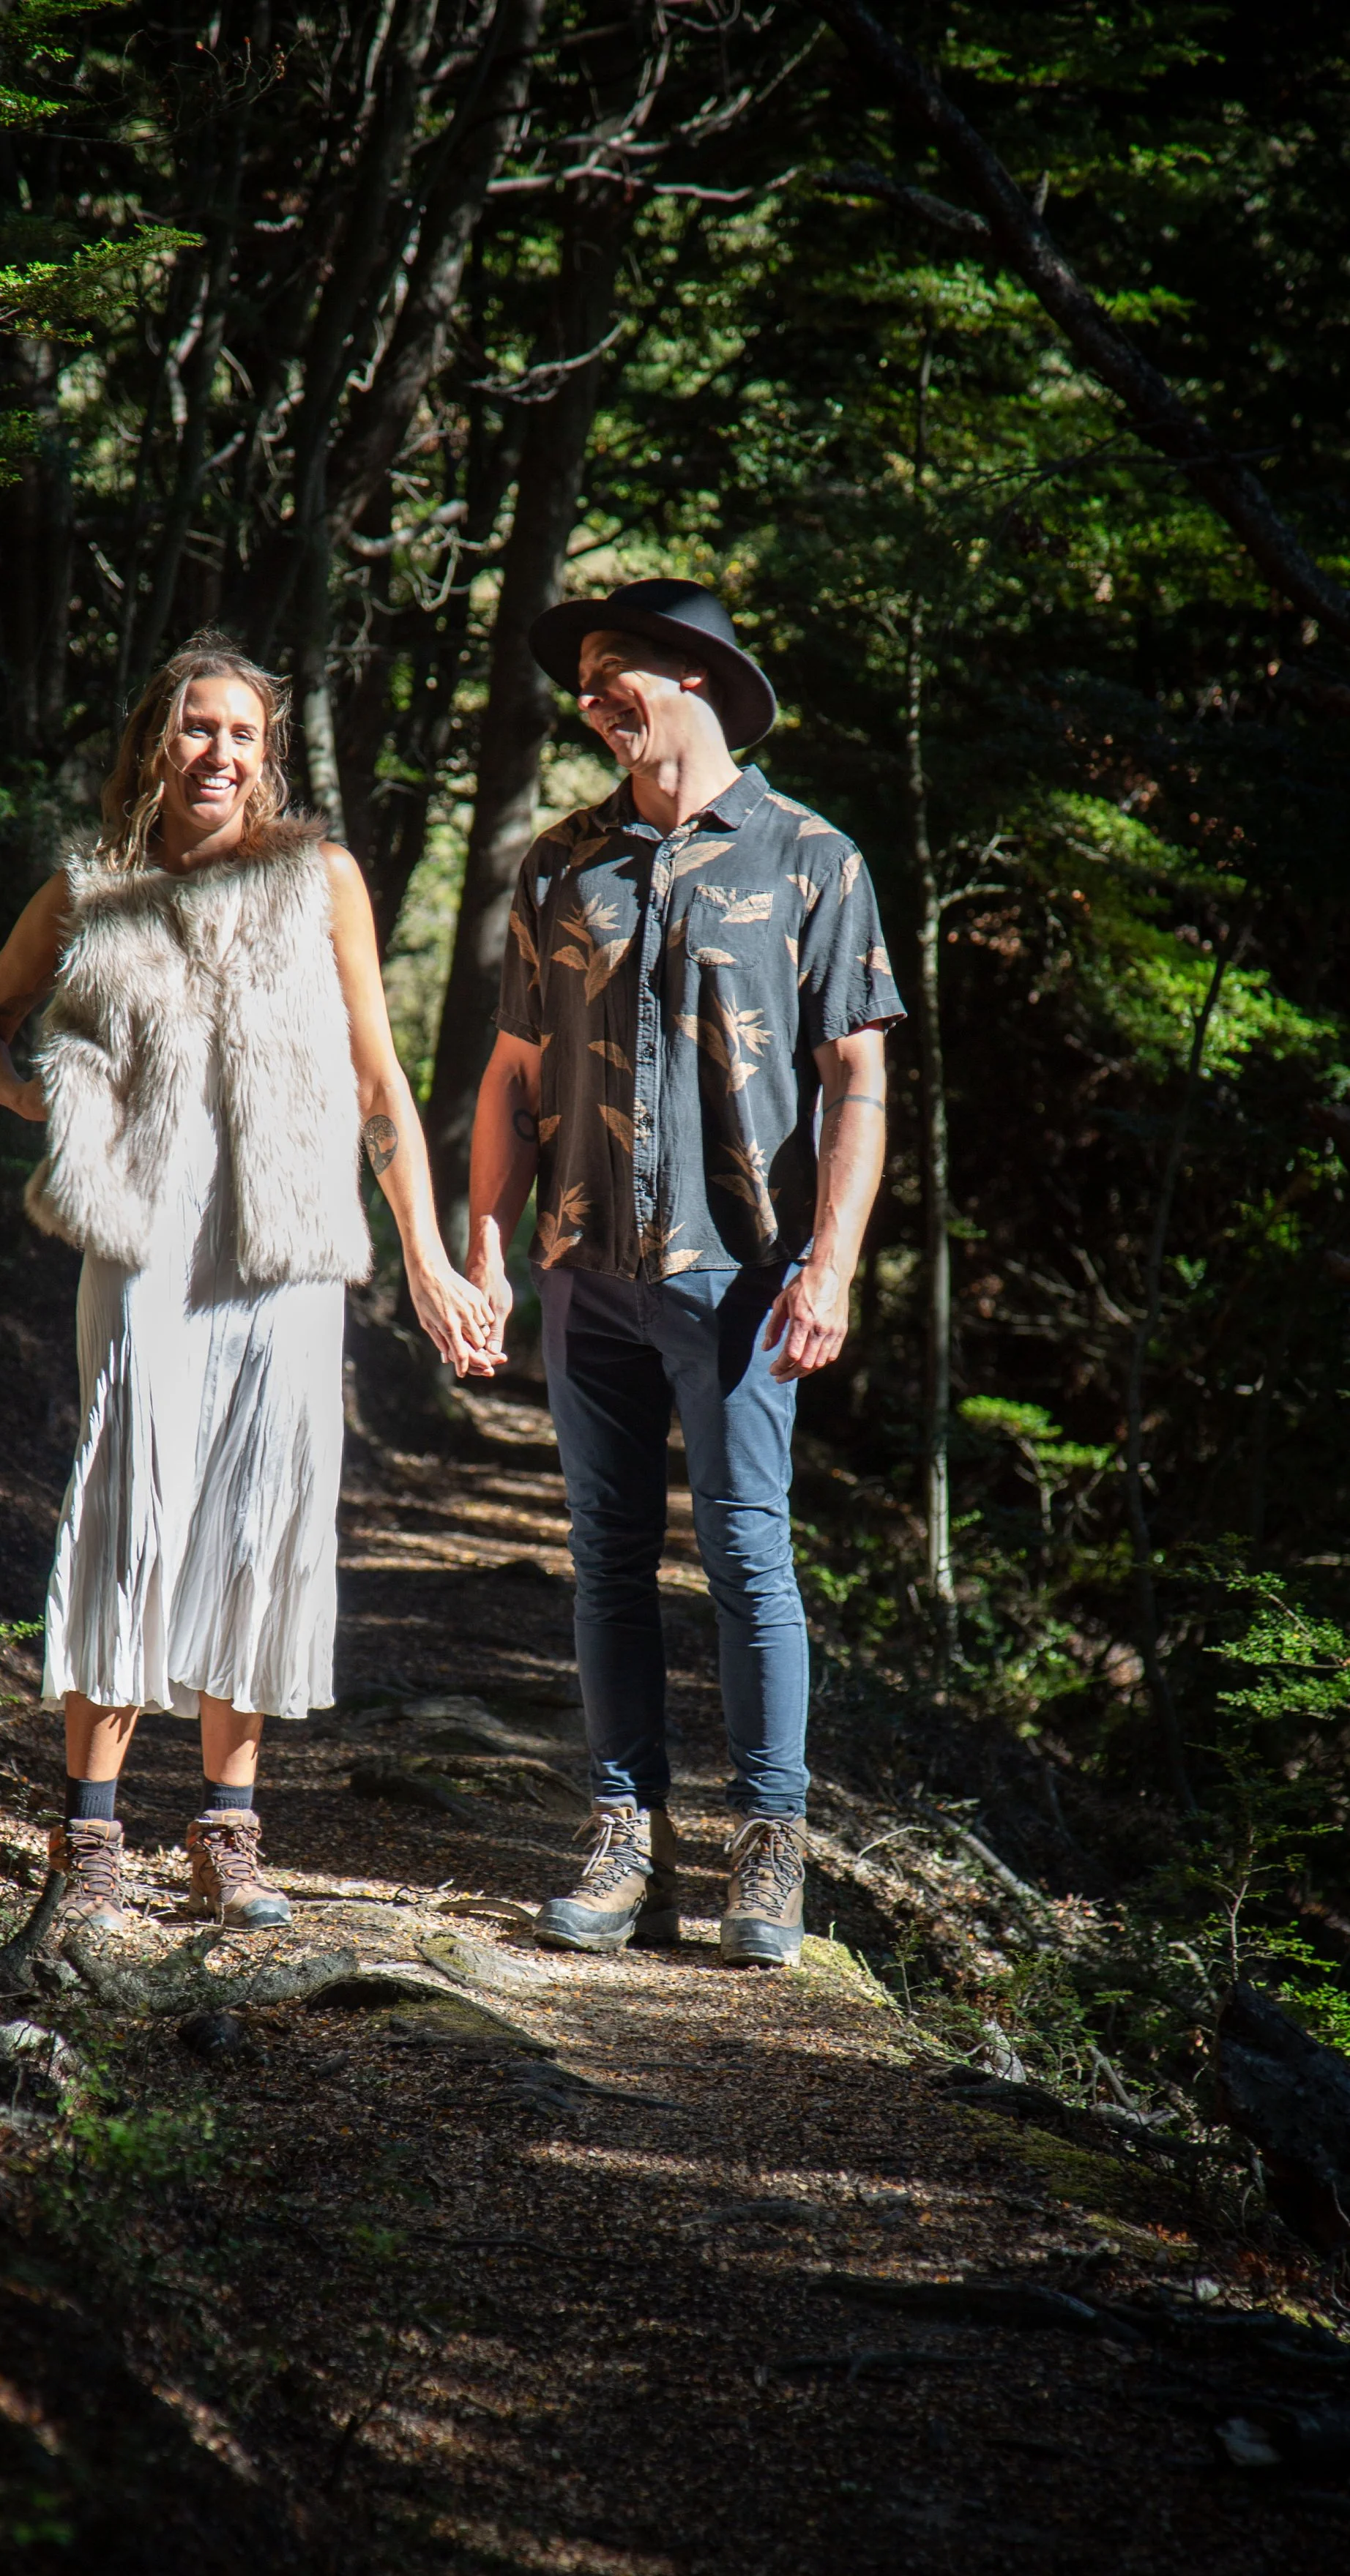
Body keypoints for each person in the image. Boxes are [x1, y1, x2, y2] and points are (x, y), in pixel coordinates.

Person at [0, 634, 498, 1939]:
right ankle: (88, 1837)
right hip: (141, 1244)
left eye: (245, 734)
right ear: (155, 743)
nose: (221, 753)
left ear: (270, 755)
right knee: (131, 1493)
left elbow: (380, 1087)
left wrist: (422, 1249)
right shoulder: (87, 894)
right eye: (199, 728)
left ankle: (227, 1838)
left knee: (259, 1517)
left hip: (287, 1250)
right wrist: (51, 1100)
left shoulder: (322, 881)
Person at [466, 578, 903, 1969]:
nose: (593, 700)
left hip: (744, 1278)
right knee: (605, 1559)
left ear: (698, 677)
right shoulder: (558, 863)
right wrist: (483, 1238)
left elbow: (858, 1084)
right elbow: (514, 1073)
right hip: (584, 1272)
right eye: (583, 680)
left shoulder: (812, 858)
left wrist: (830, 1264)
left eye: (616, 674)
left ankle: (768, 1850)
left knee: (746, 1552)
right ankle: (624, 1836)